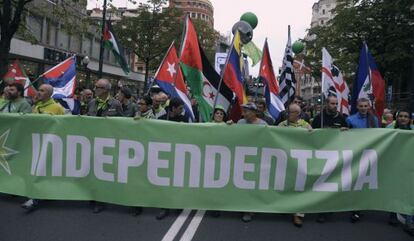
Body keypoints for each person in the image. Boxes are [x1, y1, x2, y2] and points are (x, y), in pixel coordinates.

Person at [21, 84, 65, 212]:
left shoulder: (57, 108)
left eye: (42, 91)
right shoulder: (36, 106)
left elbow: (63, 127)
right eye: (38, 90)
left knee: (43, 170)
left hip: (49, 145)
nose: (38, 92)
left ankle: (35, 198)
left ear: (49, 94)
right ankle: (36, 195)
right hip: (35, 144)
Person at [87, 79, 123, 213]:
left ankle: (101, 200)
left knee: (103, 172)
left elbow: (122, 123)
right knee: (92, 170)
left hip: (107, 144)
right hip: (92, 142)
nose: (96, 89)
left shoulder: (116, 104)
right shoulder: (91, 103)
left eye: (99, 87)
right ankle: (93, 194)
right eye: (95, 86)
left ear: (107, 90)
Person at [311, 96, 348, 223]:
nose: (335, 105)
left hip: (335, 155)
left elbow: (349, 135)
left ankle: (327, 209)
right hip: (321, 155)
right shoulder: (318, 118)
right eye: (332, 103)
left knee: (332, 182)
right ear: (326, 104)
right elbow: (311, 134)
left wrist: (345, 131)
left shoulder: (341, 118)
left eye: (336, 103)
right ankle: (319, 207)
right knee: (321, 182)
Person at [278, 103, 312, 227]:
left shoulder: (305, 125)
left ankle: (298, 215)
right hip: (285, 160)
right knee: (285, 184)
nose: (288, 114)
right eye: (288, 111)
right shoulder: (282, 125)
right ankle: (286, 207)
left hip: (300, 161)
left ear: (298, 114)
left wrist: (312, 132)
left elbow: (313, 140)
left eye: (291, 112)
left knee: (300, 187)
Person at [346, 98, 379, 223]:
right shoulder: (350, 120)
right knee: (356, 181)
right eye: (361, 106)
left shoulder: (374, 120)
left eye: (366, 106)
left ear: (369, 106)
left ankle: (362, 204)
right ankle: (355, 209)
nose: (364, 108)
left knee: (365, 182)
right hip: (355, 155)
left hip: (369, 154)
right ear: (357, 106)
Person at [237, 102, 266, 222]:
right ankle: (246, 209)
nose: (244, 113)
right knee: (244, 185)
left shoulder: (263, 124)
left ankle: (252, 207)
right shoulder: (240, 123)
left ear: (254, 112)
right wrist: (229, 126)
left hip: (257, 159)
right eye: (243, 111)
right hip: (242, 158)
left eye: (247, 111)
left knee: (254, 185)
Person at [386, 109, 413, 235]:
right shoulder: (389, 128)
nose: (403, 118)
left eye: (406, 116)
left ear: (409, 119)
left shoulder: (412, 130)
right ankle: (392, 214)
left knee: (409, 193)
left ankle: (409, 221)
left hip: (409, 166)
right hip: (393, 165)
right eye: (401, 116)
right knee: (394, 190)